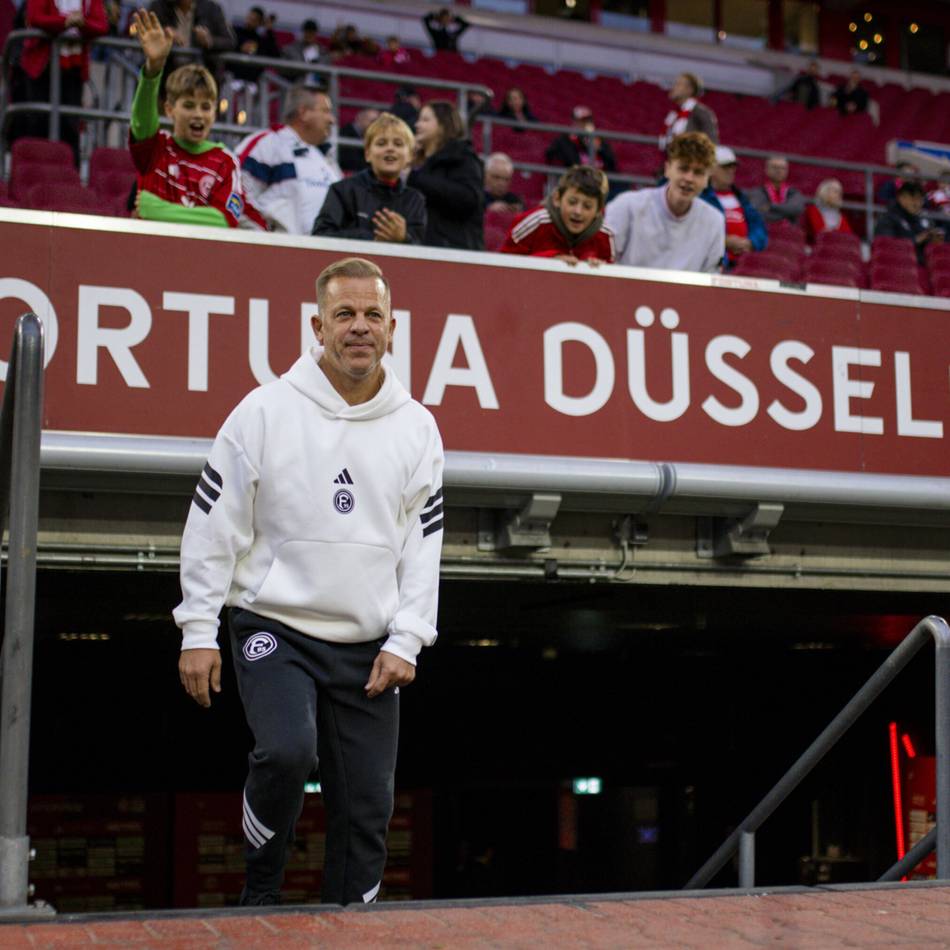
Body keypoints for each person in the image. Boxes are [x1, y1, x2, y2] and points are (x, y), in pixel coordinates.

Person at [174, 256, 444, 907]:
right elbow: (214, 527)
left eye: (372, 315)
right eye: (344, 315)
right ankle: (260, 893)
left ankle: (353, 922)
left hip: (367, 641)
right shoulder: (263, 412)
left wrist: (406, 638)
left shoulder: (417, 426)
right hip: (275, 624)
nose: (360, 327)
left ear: (393, 327)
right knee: (288, 753)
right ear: (316, 326)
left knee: (368, 803)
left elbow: (424, 544)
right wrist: (197, 630)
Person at [129, 9, 244, 226]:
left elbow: (224, 220)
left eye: (206, 107)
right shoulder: (155, 148)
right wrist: (154, 68)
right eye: (189, 106)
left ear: (214, 112)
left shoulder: (226, 162)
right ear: (170, 110)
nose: (198, 114)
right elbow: (141, 119)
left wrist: (155, 209)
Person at [605, 131, 723, 274]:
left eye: (698, 172)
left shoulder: (715, 221)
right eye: (683, 168)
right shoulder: (627, 206)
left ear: (707, 180)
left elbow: (711, 279)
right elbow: (604, 263)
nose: (689, 178)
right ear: (667, 169)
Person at [236, 84, 341, 233]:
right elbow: (237, 196)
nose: (332, 120)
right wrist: (267, 240)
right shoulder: (267, 143)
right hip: (275, 252)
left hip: (324, 253)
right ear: (303, 112)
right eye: (325, 111)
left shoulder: (326, 159)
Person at [17, 0, 108, 162]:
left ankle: (69, 178)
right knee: (38, 125)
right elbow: (36, 17)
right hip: (41, 68)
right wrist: (65, 22)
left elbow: (101, 25)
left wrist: (82, 23)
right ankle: (34, 177)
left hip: (73, 68)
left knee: (70, 128)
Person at [313, 113, 426, 245]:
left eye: (398, 144)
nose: (390, 148)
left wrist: (403, 238)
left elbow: (421, 250)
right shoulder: (342, 190)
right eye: (381, 143)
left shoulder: (415, 200)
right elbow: (321, 236)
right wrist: (371, 237)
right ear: (367, 153)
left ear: (410, 156)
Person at [501, 165, 614, 266]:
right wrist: (550, 260)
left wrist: (599, 269)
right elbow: (504, 263)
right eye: (572, 202)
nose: (578, 211)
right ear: (557, 199)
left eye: (587, 206)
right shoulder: (536, 222)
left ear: (599, 210)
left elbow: (610, 278)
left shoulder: (605, 235)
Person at [409, 99, 484, 250]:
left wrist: (414, 177)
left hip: (453, 251)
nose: (417, 125)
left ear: (443, 125)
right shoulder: (417, 164)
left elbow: (468, 199)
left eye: (425, 119)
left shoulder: (463, 157)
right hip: (421, 249)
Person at [700, 145, 767, 266]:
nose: (731, 171)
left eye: (733, 166)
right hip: (714, 263)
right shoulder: (701, 198)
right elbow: (695, 230)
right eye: (725, 166)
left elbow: (758, 226)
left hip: (744, 263)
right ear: (711, 169)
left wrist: (750, 242)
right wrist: (724, 241)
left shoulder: (741, 199)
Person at [146, 0, 234, 79]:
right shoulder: (159, 6)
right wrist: (162, 33)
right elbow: (141, 33)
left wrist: (209, 41)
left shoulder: (212, 9)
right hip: (165, 75)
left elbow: (229, 42)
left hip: (200, 78)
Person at [874, 180, 944, 264]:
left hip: (922, 266)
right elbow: (887, 247)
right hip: (897, 267)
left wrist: (935, 242)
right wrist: (916, 240)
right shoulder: (887, 218)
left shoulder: (925, 219)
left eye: (921, 200)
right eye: (914, 199)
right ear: (901, 198)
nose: (918, 204)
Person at [545, 105, 617, 173]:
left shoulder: (599, 140)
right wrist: (581, 143)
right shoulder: (564, 140)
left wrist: (600, 149)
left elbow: (612, 163)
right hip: (573, 179)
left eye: (587, 120)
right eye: (581, 121)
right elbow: (569, 162)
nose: (584, 124)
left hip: (598, 179)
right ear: (573, 121)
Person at [660, 72, 718, 149]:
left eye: (678, 84)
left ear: (689, 90)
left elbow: (712, 143)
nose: (673, 87)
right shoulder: (675, 114)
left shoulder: (700, 111)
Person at [746, 156, 806, 225]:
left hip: (789, 232)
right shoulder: (757, 192)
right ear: (766, 170)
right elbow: (758, 214)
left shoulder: (794, 193)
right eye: (775, 167)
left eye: (783, 168)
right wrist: (787, 214)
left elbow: (797, 209)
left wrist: (771, 207)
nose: (779, 171)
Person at [231, 6, 280, 84]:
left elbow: (275, 55)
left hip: (252, 82)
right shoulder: (235, 32)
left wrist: (269, 30)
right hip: (232, 78)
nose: (250, 21)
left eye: (254, 19)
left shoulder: (261, 40)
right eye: (249, 17)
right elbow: (226, 46)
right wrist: (239, 48)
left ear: (260, 22)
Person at [803, 178, 853, 244]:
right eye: (836, 192)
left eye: (840, 193)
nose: (839, 195)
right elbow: (820, 233)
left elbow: (849, 237)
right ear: (825, 192)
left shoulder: (841, 217)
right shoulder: (813, 210)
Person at [338, 107, 380, 173]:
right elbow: (351, 163)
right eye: (372, 121)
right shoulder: (344, 134)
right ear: (359, 118)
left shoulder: (372, 137)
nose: (375, 126)